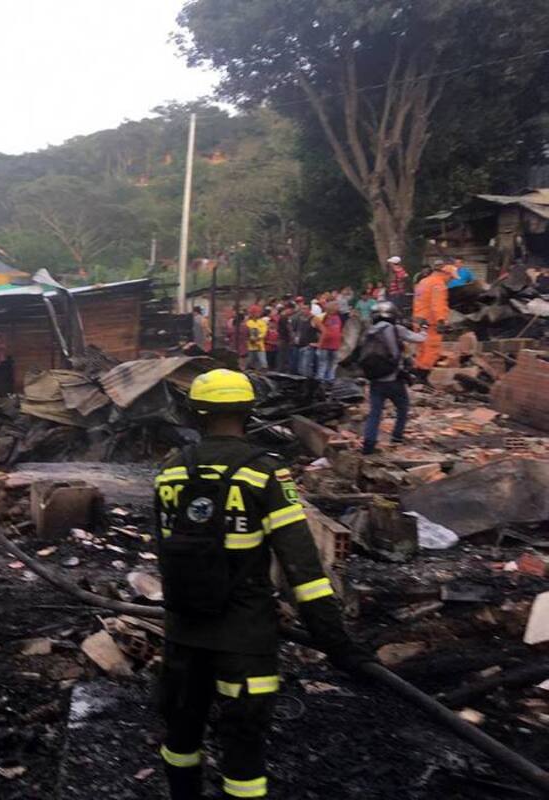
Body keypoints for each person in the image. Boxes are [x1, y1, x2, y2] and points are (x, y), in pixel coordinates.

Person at [154, 369, 370, 800]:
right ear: (248, 412)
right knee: (244, 756)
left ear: (196, 414)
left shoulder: (170, 474)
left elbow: (166, 555)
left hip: (183, 637)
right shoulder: (265, 475)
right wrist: (336, 643)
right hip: (245, 643)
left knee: (180, 743)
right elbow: (303, 570)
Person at [359, 302, 427, 455]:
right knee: (402, 408)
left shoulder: (369, 331)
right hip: (394, 379)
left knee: (374, 413)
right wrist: (424, 329)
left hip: (375, 380)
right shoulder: (396, 329)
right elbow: (420, 339)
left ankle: (368, 445)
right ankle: (397, 437)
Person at [412, 260, 455, 375]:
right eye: (451, 278)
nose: (450, 280)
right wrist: (441, 321)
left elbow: (418, 301)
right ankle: (423, 375)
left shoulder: (423, 282)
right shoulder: (439, 285)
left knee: (421, 350)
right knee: (432, 350)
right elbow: (438, 305)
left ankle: (416, 373)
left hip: (418, 321)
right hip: (430, 323)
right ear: (445, 274)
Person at [316, 299, 342, 382]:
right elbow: (321, 331)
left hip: (335, 344)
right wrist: (319, 345)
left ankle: (330, 380)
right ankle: (321, 380)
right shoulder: (323, 317)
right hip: (325, 345)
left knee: (332, 364)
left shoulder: (338, 317)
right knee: (324, 363)